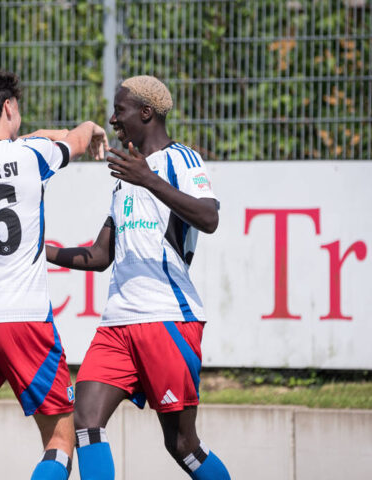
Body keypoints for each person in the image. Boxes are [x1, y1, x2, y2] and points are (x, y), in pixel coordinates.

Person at [46, 76, 231, 480]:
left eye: (120, 110)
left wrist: (148, 178)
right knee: (85, 419)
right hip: (118, 324)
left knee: (182, 445)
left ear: (146, 113)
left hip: (168, 318)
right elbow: (99, 256)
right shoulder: (125, 176)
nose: (113, 119)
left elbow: (209, 217)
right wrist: (38, 251)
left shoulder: (181, 160)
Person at [0, 69, 107, 480]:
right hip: (22, 321)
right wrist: (88, 128)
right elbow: (74, 143)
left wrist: (50, 132)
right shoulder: (31, 158)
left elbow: (15, 145)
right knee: (61, 439)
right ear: (9, 107)